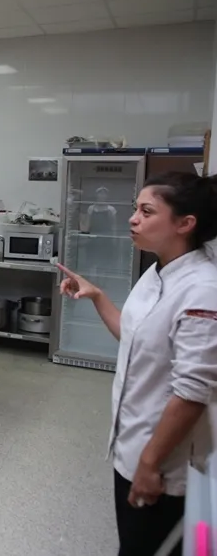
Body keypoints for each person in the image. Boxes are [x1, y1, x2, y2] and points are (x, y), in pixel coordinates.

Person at [58, 172, 217, 556]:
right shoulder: (158, 269)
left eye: (146, 211)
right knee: (133, 542)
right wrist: (97, 297)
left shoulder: (202, 290)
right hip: (132, 446)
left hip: (166, 464)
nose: (132, 219)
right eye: (135, 209)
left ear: (184, 224)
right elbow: (135, 338)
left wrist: (150, 463)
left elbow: (192, 392)